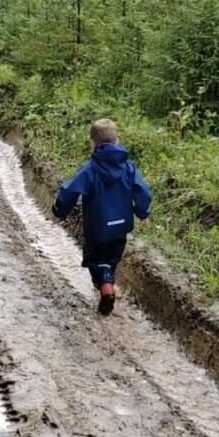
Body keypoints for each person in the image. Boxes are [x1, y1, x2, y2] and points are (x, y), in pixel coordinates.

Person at [52, 119, 152, 315]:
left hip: (97, 228)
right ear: (117, 140)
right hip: (121, 227)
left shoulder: (90, 168)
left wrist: (59, 209)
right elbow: (143, 192)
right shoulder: (129, 167)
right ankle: (108, 278)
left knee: (95, 260)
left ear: (93, 143)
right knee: (111, 258)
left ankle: (106, 287)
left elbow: (70, 190)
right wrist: (142, 212)